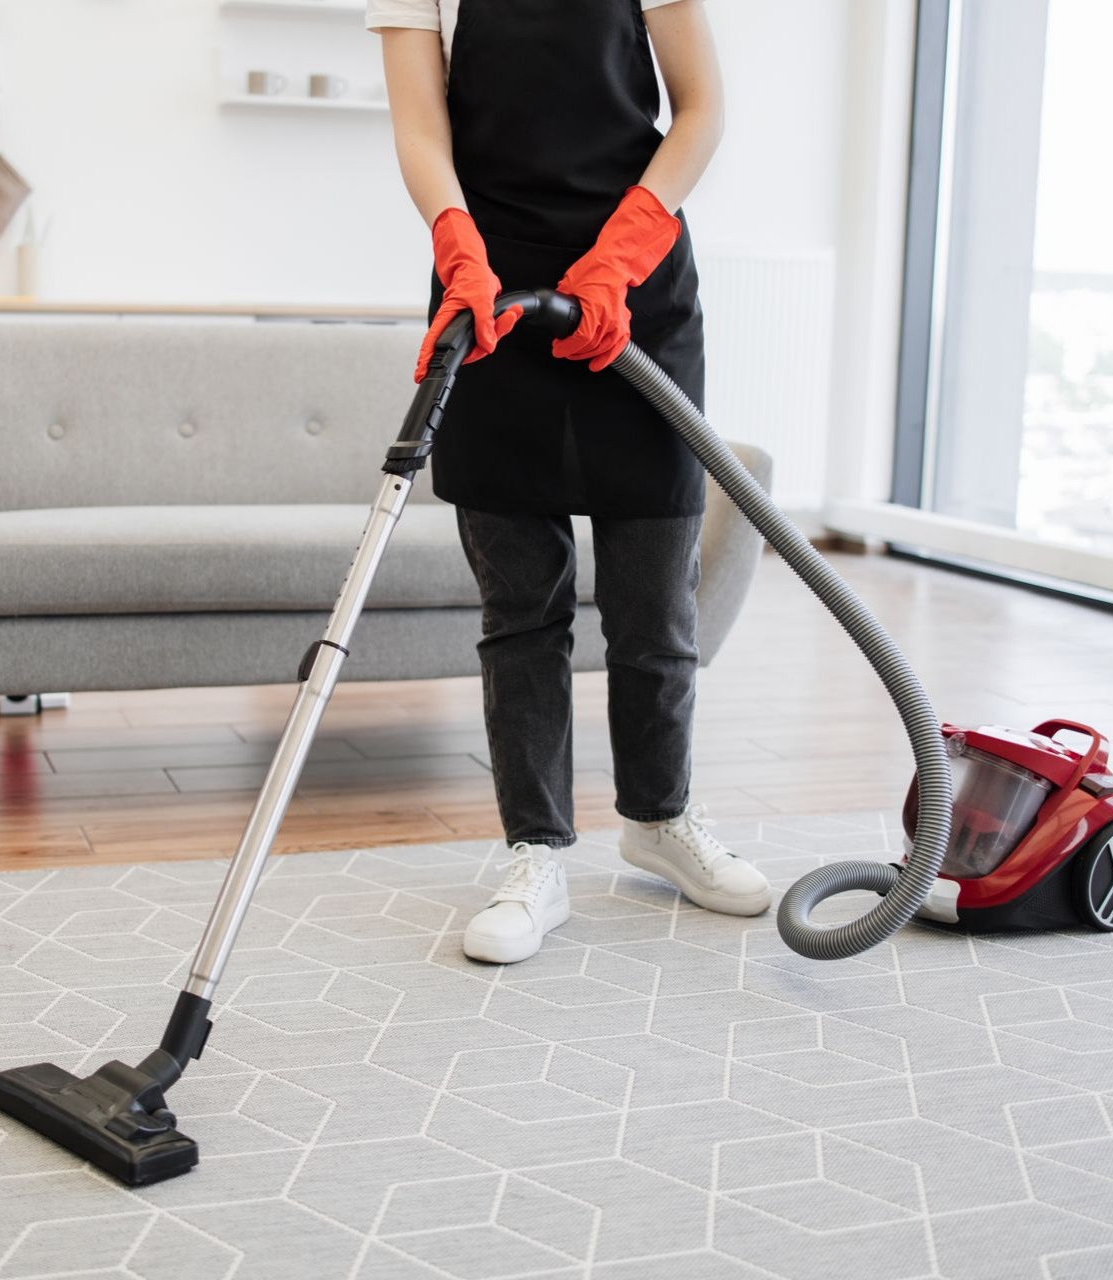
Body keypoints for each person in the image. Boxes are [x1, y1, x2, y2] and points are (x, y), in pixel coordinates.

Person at [368, 0, 772, 964]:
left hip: (635, 294)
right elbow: (421, 129)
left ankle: (659, 819)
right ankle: (536, 849)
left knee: (654, 601)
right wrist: (457, 248)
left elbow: (701, 108)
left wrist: (623, 251)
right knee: (521, 606)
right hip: (492, 293)